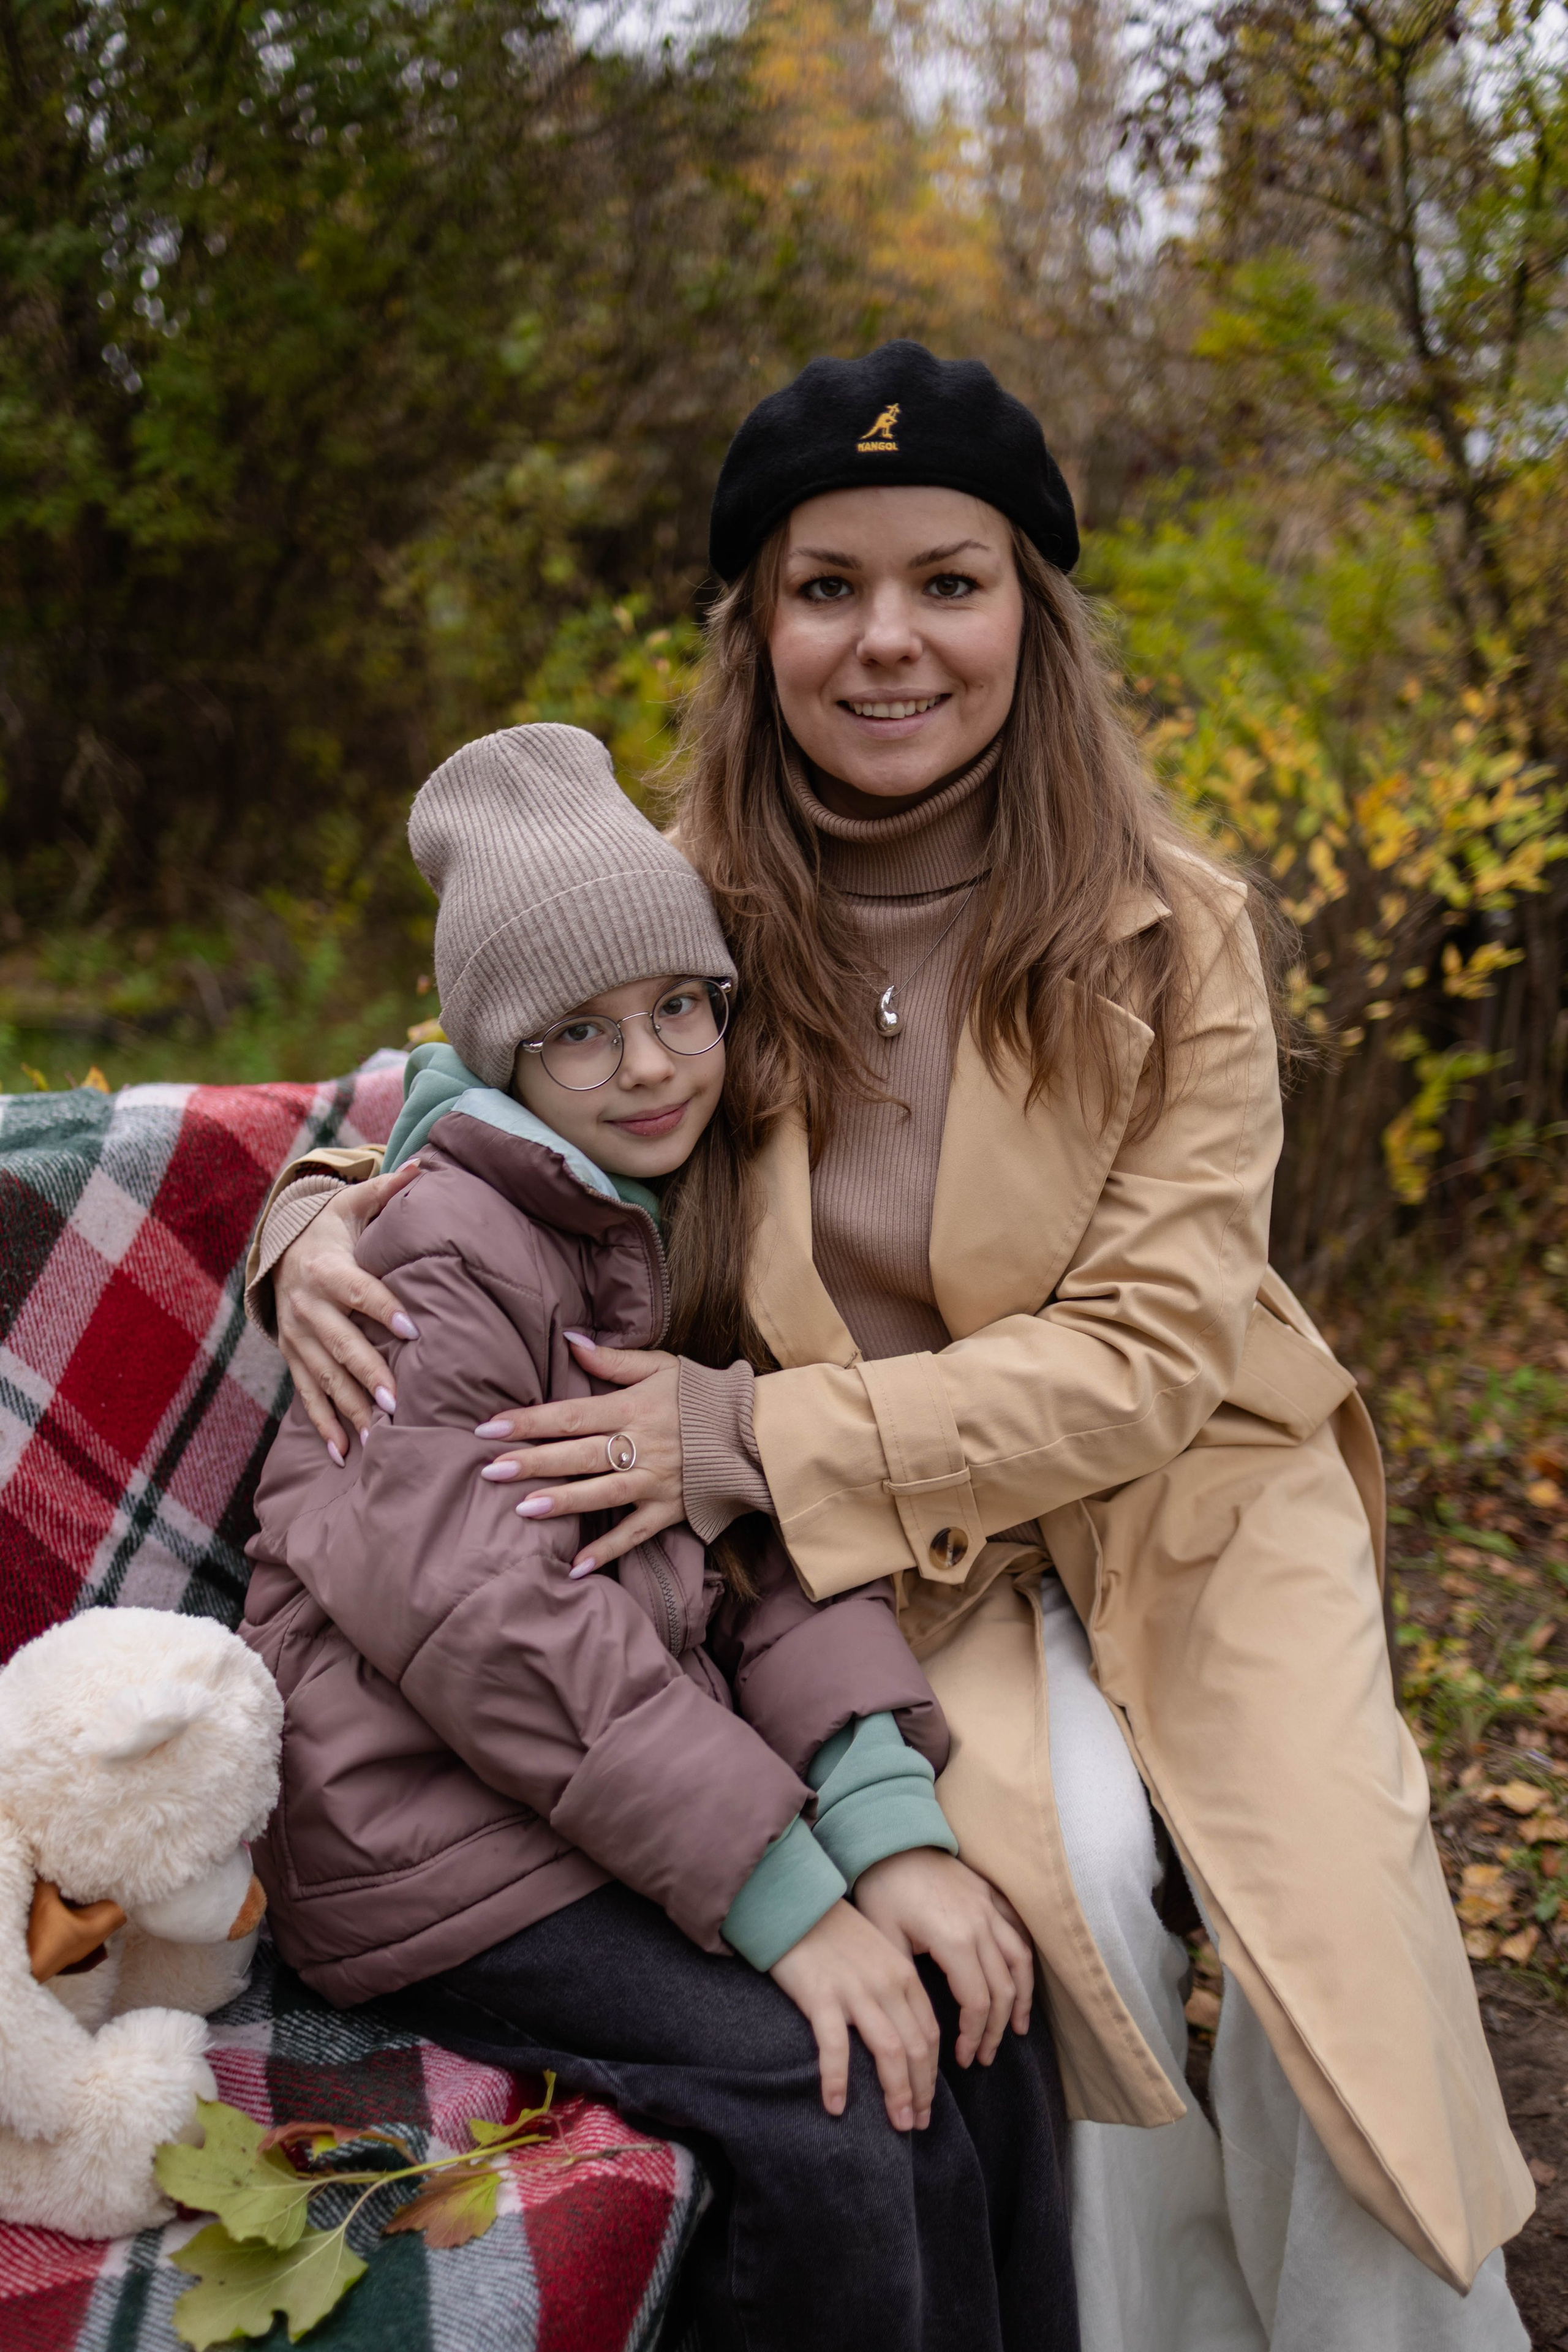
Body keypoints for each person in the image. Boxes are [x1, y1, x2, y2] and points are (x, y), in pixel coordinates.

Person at [247, 342, 1532, 2351]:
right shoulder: (697, 897)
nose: (889, 642)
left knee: (1327, 1929)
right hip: (889, 1556)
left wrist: (753, 1437)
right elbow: (482, 1063)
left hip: (1171, 1492)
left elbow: (1154, 1351)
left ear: (1033, 610)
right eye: (824, 587)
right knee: (1060, 1897)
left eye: (950, 579)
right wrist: (306, 1214)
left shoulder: (1165, 928)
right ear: (756, 634)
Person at [241, 718, 1078, 2352]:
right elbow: (490, 1626)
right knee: (830, 2089)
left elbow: (740, 1547)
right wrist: (787, 1895)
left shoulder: (669, 1210)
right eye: (581, 1031)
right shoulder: (445, 1254)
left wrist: (883, 1814)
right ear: (501, 1056)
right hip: (429, 1831)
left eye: (678, 1008)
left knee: (987, 2015)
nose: (649, 1065)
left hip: (607, 1786)